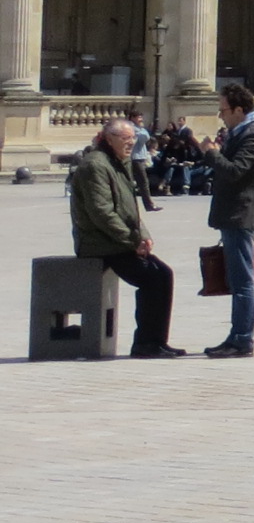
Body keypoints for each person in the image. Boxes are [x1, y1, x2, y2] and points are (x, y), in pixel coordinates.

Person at [70, 118, 182, 356]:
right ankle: (145, 344)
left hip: (117, 240)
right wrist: (133, 241)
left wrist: (143, 236)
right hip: (100, 243)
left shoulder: (119, 162)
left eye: (133, 138)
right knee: (154, 277)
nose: (131, 142)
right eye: (125, 138)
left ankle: (154, 341)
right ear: (108, 139)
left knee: (162, 274)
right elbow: (101, 212)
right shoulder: (96, 165)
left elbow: (128, 208)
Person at [199, 85, 254, 357]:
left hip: (241, 215)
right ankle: (235, 336)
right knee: (237, 279)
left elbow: (236, 171)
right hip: (234, 214)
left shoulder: (252, 136)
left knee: (243, 282)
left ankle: (242, 339)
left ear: (239, 110)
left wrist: (212, 153)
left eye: (224, 110)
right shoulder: (239, 133)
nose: (221, 115)